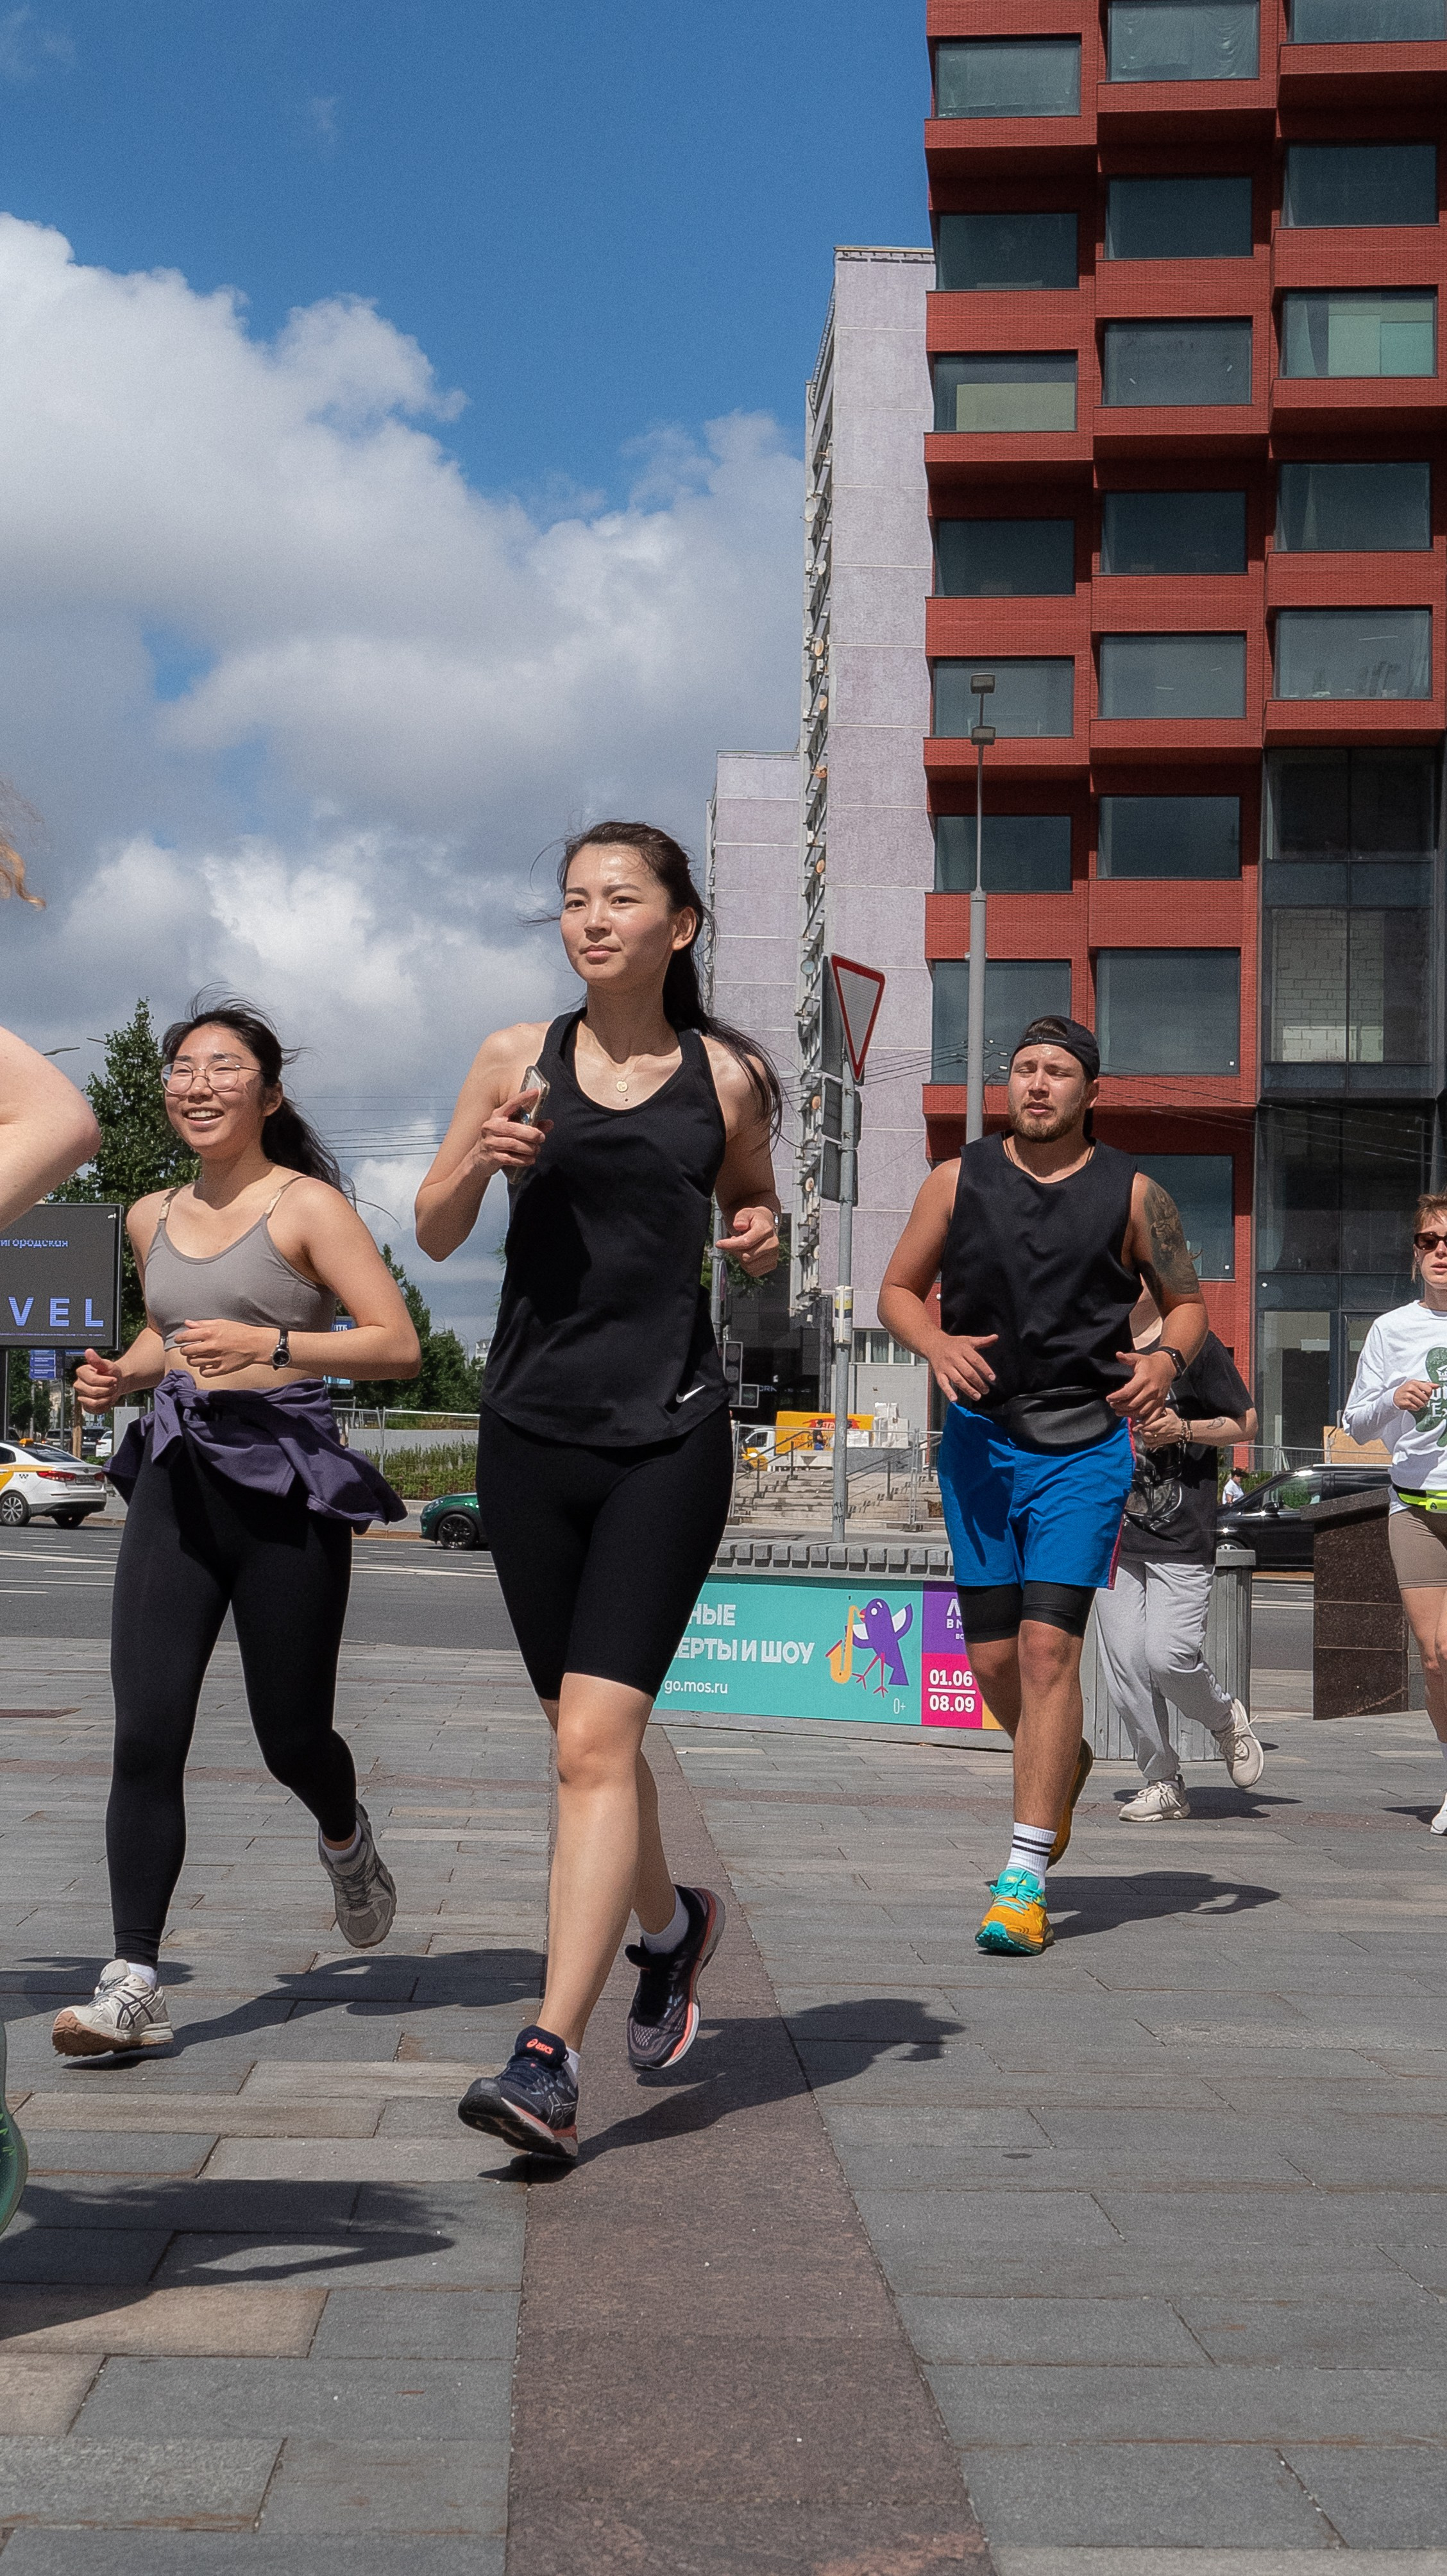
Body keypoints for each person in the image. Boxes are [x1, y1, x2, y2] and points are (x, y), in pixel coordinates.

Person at [416, 821, 781, 2161]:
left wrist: (760, 1228)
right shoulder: (515, 1057)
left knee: (587, 1747)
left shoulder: (729, 1076)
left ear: (678, 924)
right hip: (526, 1433)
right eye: (574, 899)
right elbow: (436, 1225)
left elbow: (753, 1201)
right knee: (590, 1745)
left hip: (667, 1438)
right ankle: (673, 1932)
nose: (592, 918)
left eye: (621, 898)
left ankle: (546, 2058)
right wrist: (481, 1160)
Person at [53, 999, 420, 2058]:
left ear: (268, 1093)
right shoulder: (146, 1213)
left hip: (285, 1488)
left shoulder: (307, 1208)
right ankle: (133, 1981)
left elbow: (392, 1342)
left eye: (223, 1067)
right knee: (144, 1732)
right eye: (181, 1067)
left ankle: (346, 1837)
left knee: (290, 1736)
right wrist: (124, 1368)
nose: (196, 1083)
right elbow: (171, 1334)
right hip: (175, 1480)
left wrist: (276, 1345)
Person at [879, 1015, 1208, 1958]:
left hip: (1082, 1445)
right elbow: (900, 1291)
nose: (1036, 1084)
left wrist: (1163, 1362)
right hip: (980, 1444)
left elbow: (1186, 1303)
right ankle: (1060, 1759)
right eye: (1024, 1069)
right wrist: (934, 1342)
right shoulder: (957, 1179)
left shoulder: (1135, 1193)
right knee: (990, 1665)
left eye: (1057, 1071)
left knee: (1045, 1649)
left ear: (1089, 1091)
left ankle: (1023, 1876)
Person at [1096, 1288, 1264, 1819]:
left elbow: (1247, 1423)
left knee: (1168, 1656)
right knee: (1125, 1666)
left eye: (1137, 1270)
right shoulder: (1094, 1344)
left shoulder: (1195, 1346)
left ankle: (1224, 1720)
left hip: (1181, 1531)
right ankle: (1162, 1781)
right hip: (1110, 1533)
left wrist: (1183, 1428)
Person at [1342, 1193, 1447, 1833]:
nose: (1441, 1251)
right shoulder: (1392, 1329)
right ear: (1414, 1254)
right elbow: (1356, 1420)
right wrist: (1393, 1395)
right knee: (1437, 1657)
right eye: (1428, 1240)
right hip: (1414, 1505)